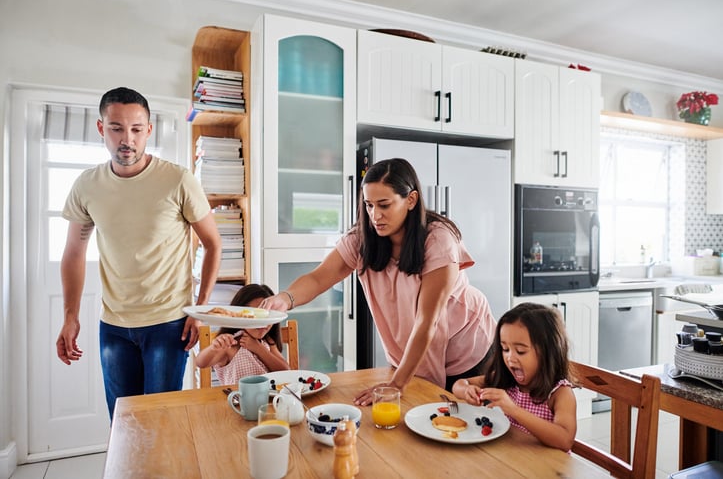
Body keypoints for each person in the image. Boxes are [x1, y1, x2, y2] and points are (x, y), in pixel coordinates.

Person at [261, 158, 496, 406]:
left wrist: (396, 384)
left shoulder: (439, 241)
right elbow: (319, 277)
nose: (375, 215)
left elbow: (428, 320)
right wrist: (284, 298)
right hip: (416, 353)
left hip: (468, 350)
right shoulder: (362, 239)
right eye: (369, 205)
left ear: (411, 200)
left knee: (462, 429)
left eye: (384, 205)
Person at [55, 87, 222, 419]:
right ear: (102, 128)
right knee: (123, 423)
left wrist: (198, 307)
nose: (126, 139)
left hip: (168, 323)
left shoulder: (178, 180)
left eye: (135, 129)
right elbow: (74, 252)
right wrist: (70, 315)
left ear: (148, 130)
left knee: (161, 422)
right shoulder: (87, 185)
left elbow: (213, 243)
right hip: (113, 325)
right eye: (116, 128)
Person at [451, 303, 577, 452]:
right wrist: (467, 390)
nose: (510, 358)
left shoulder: (560, 393)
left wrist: (514, 410)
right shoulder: (506, 379)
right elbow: (458, 385)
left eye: (520, 351)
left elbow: (565, 440)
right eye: (505, 349)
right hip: (512, 457)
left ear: (547, 352)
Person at [194, 284, 290, 384]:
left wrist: (258, 349)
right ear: (240, 314)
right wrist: (213, 348)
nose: (263, 323)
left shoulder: (267, 341)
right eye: (255, 315)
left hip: (270, 399)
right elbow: (200, 363)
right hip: (238, 399)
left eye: (267, 315)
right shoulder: (230, 344)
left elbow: (286, 371)